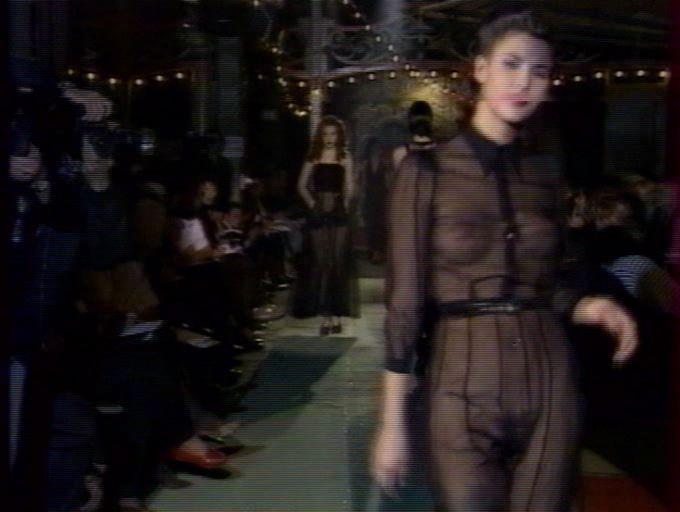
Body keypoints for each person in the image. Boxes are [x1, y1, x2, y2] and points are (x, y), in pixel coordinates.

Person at [371, 4, 638, 511]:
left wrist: (589, 305)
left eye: (539, 70)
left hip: (551, 384)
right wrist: (392, 424)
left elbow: (550, 281)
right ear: (480, 68)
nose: (524, 82)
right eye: (512, 64)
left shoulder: (546, 171)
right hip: (459, 385)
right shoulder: (424, 173)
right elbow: (404, 306)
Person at [295, 115, 358, 335]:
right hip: (319, 213)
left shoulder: (345, 157)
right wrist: (313, 204)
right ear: (320, 136)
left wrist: (346, 206)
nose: (329, 138)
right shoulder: (313, 157)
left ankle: (337, 315)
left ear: (339, 135)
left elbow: (350, 187)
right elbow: (301, 185)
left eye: (333, 133)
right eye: (325, 134)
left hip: (339, 212)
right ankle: (325, 317)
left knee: (337, 262)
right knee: (322, 263)